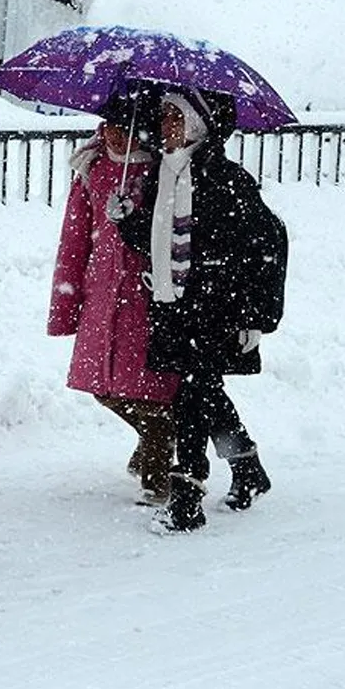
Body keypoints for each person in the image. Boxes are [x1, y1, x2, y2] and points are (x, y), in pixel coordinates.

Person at [114, 87, 287, 533]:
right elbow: (154, 242)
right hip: (171, 304)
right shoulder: (160, 177)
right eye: (163, 116)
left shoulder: (227, 179)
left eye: (174, 116)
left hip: (215, 306)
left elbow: (266, 246)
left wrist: (255, 316)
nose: (164, 124)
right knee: (203, 389)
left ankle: (188, 495)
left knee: (192, 396)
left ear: (197, 124)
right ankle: (247, 465)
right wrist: (126, 219)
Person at [48, 90, 180, 506]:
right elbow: (73, 243)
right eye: (106, 126)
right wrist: (65, 306)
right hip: (101, 296)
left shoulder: (165, 173)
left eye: (122, 128)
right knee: (102, 385)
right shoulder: (92, 171)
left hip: (147, 298)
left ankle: (157, 473)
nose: (111, 135)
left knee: (148, 387)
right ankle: (157, 435)